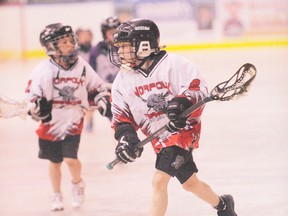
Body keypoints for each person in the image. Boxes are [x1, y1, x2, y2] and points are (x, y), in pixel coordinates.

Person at [109, 18, 238, 216]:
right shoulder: (122, 80)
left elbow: (196, 88)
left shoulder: (174, 64)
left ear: (144, 44)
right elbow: (121, 116)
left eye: (125, 46)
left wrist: (182, 104)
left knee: (159, 181)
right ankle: (223, 205)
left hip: (183, 131)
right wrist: (126, 138)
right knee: (190, 184)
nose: (120, 52)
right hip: (160, 136)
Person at [25, 23, 112, 211]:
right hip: (50, 124)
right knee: (55, 162)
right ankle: (56, 194)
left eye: (71, 40)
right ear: (51, 47)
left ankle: (77, 183)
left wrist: (103, 100)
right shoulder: (43, 69)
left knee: (71, 159)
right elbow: (32, 95)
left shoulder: (81, 66)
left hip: (73, 120)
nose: (71, 44)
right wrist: (37, 107)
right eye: (64, 42)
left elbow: (96, 86)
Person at [85, 16, 121, 132]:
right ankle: (89, 122)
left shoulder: (125, 47)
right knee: (89, 102)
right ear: (104, 34)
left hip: (120, 86)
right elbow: (90, 70)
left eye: (116, 32)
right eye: (110, 32)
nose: (113, 35)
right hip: (103, 86)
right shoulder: (96, 50)